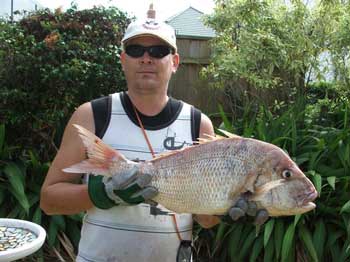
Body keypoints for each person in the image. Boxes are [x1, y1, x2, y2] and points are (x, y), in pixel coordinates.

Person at [40, 5, 267, 262]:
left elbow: (204, 219)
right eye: (136, 50)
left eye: (158, 51)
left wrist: (230, 208)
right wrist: (101, 193)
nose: (146, 58)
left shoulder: (198, 123)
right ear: (123, 59)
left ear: (175, 62)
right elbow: (49, 199)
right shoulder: (91, 115)